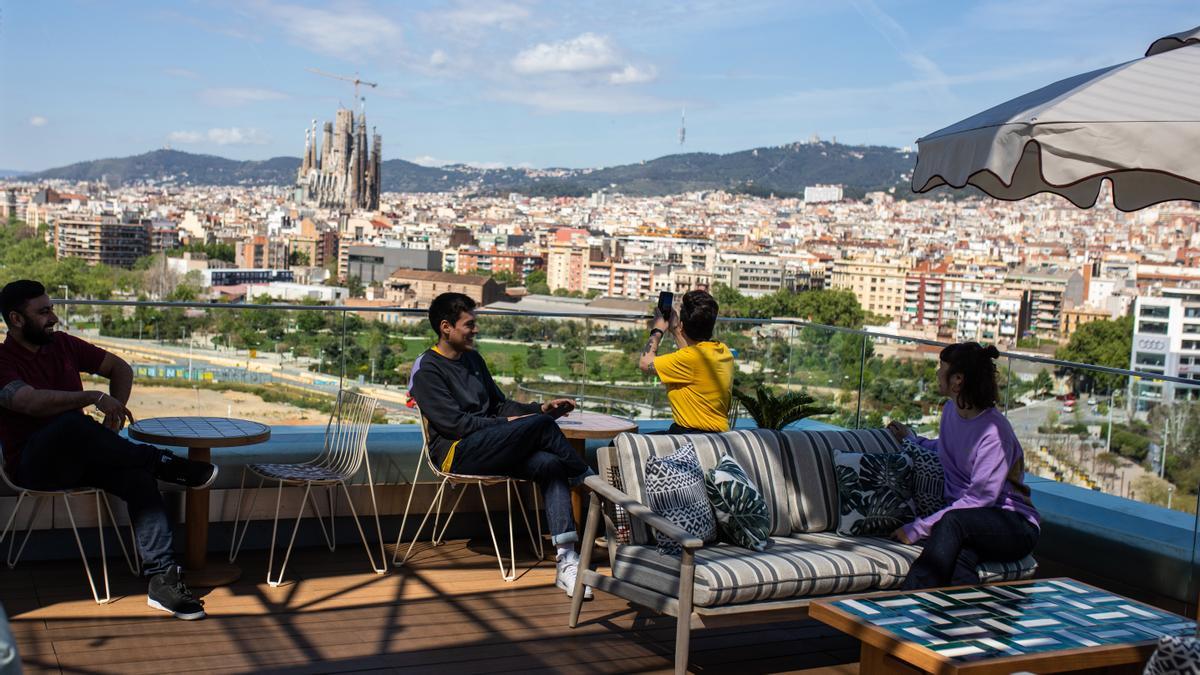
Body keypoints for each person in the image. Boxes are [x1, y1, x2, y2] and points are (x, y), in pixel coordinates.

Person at [0, 280, 218, 620]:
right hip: (34, 464)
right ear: (15, 319)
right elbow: (26, 401)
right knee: (71, 422)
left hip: (81, 457)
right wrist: (91, 397)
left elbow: (120, 368)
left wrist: (112, 419)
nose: (53, 318)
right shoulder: (3, 360)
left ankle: (162, 581)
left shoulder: (63, 346)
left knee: (137, 479)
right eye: (43, 312)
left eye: (52, 309)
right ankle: (157, 460)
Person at [408, 292, 596, 599]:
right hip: (457, 453)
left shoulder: (473, 360)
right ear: (446, 327)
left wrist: (539, 410)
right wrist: (515, 425)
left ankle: (567, 560)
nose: (476, 330)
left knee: (549, 464)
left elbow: (499, 405)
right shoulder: (427, 370)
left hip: (492, 446)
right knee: (543, 429)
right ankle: (591, 482)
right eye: (469, 324)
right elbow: (456, 426)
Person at [886, 342, 1040, 589]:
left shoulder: (994, 433)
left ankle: (905, 600)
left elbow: (979, 500)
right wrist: (913, 441)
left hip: (1013, 525)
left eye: (941, 368)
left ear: (957, 380)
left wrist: (918, 528)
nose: (937, 374)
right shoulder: (951, 411)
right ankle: (969, 623)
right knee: (956, 563)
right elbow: (949, 449)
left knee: (952, 523)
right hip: (968, 525)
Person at [638, 289, 734, 433]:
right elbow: (690, 354)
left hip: (691, 436)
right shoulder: (722, 351)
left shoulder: (689, 359)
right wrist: (676, 329)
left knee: (616, 444)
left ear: (683, 325)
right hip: (717, 435)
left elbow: (645, 363)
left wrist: (657, 330)